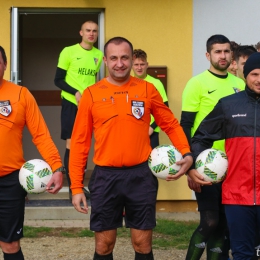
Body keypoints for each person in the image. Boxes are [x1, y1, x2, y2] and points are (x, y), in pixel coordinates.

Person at [69, 36, 193, 260]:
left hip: (141, 176)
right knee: (104, 245)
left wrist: (186, 152)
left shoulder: (147, 90)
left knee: (142, 244)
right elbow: (79, 142)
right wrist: (76, 187)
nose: (120, 63)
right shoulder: (91, 94)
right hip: (106, 177)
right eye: (114, 58)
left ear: (132, 59)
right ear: (105, 60)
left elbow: (170, 124)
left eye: (125, 57)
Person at [189, 52, 260, 260]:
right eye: (255, 74)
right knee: (242, 254)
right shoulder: (228, 105)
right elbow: (201, 137)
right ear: (245, 76)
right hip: (237, 196)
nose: (259, 79)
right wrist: (196, 167)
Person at [180, 34, 245, 260]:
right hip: (204, 164)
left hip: (234, 165)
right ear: (208, 55)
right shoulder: (196, 83)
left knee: (225, 222)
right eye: (218, 52)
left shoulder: (240, 84)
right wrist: (189, 164)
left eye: (227, 51)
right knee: (210, 220)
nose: (223, 56)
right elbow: (185, 126)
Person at [0, 46, 64, 260]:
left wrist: (56, 166)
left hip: (9, 182)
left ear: (5, 65)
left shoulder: (21, 94)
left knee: (10, 245)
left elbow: (41, 135)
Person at [54, 20, 103, 200]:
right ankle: (73, 188)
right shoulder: (69, 51)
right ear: (81, 33)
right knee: (72, 145)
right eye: (88, 30)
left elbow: (94, 82)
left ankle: (81, 186)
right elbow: (57, 80)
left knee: (85, 146)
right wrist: (74, 92)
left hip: (89, 105)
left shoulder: (99, 55)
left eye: (94, 31)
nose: (91, 33)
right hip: (70, 104)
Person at [132, 49, 168, 149]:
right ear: (131, 65)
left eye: (142, 64)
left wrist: (152, 127)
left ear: (147, 65)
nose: (139, 67)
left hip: (151, 133)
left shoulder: (156, 83)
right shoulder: (127, 84)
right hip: (132, 133)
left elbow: (164, 109)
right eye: (136, 64)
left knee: (151, 164)